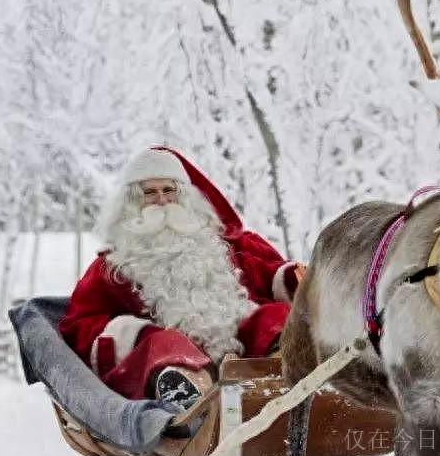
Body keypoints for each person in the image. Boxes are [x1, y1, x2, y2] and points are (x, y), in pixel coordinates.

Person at [58, 147, 303, 410]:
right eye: (149, 193)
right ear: (131, 203)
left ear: (185, 197)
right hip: (169, 363)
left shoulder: (225, 246)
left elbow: (272, 273)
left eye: (169, 190)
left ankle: (283, 369)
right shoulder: (112, 266)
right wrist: (132, 333)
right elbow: (80, 324)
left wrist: (297, 278)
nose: (162, 201)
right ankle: (187, 393)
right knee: (163, 343)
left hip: (245, 355)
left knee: (274, 317)